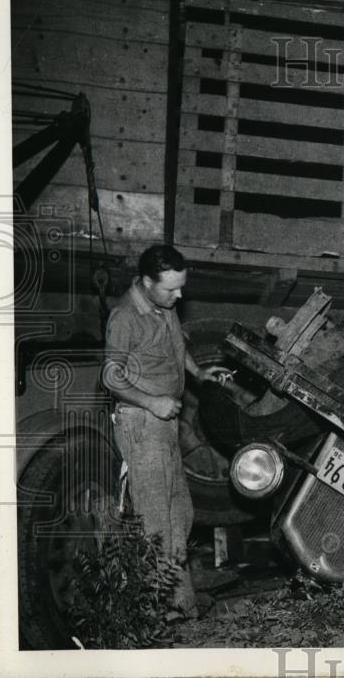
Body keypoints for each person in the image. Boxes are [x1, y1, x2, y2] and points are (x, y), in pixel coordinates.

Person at [102, 244, 231, 618]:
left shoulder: (164, 307)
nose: (180, 295)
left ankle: (179, 602)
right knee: (156, 520)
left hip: (165, 426)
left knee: (181, 514)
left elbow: (177, 348)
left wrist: (197, 373)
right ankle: (159, 611)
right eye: (171, 288)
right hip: (142, 424)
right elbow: (110, 375)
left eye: (181, 286)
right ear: (145, 282)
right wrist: (151, 401)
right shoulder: (125, 316)